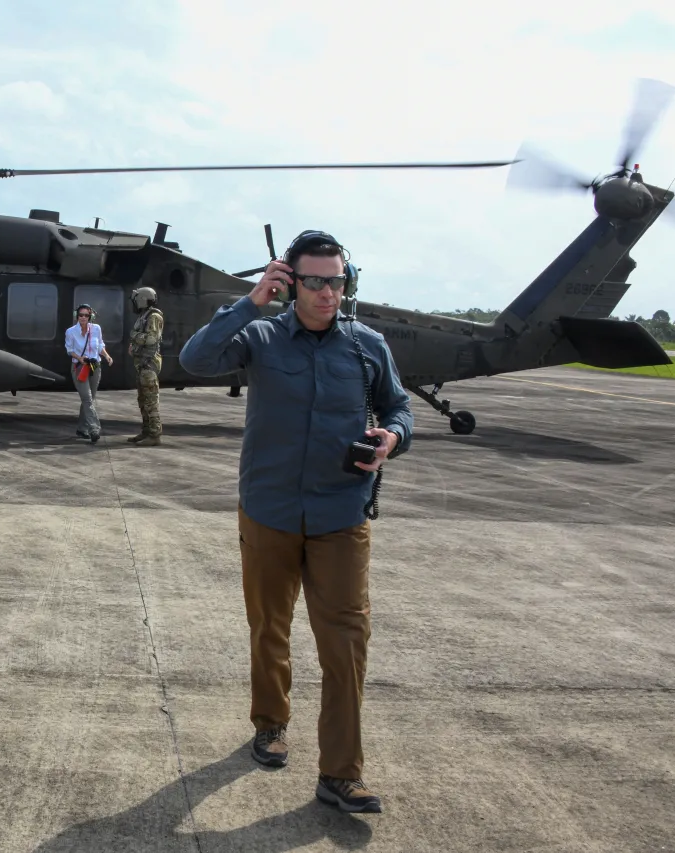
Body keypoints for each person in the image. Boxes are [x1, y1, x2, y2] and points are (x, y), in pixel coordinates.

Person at [178, 230, 413, 814]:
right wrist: (251, 301)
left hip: (341, 514)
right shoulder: (257, 336)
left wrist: (393, 437)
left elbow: (399, 406)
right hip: (270, 512)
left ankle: (339, 774)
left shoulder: (366, 345)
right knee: (269, 627)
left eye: (337, 280)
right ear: (289, 281)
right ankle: (270, 724)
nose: (328, 292)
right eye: (315, 281)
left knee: (346, 646)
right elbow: (194, 359)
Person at [64, 303, 113, 442]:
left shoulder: (96, 329)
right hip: (80, 367)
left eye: (86, 315)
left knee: (89, 399)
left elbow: (100, 345)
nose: (83, 317)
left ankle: (81, 429)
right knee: (87, 398)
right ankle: (94, 429)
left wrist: (107, 356)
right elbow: (69, 350)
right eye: (81, 315)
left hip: (95, 367)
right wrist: (80, 358)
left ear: (90, 316)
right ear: (76, 316)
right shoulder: (71, 332)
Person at [127, 286, 164, 446]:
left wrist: (134, 336)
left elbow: (151, 339)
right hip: (142, 365)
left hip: (148, 365)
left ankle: (155, 435)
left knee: (150, 400)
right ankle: (146, 431)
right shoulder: (144, 316)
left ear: (142, 300)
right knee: (143, 399)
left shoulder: (154, 316)